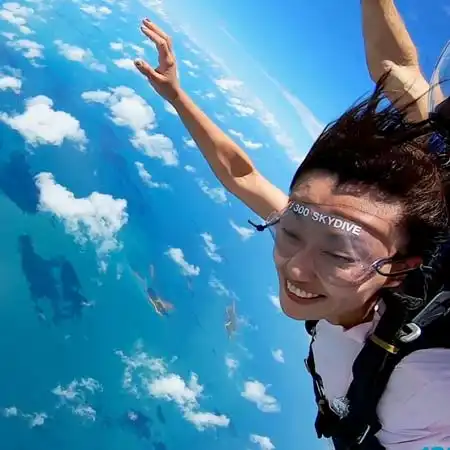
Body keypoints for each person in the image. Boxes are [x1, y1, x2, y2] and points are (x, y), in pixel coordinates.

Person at [133, 11, 450, 450]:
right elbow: (242, 175)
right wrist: (176, 96)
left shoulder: (430, 377)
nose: (297, 269)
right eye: (292, 231)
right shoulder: (339, 228)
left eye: (339, 254)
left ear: (398, 270)